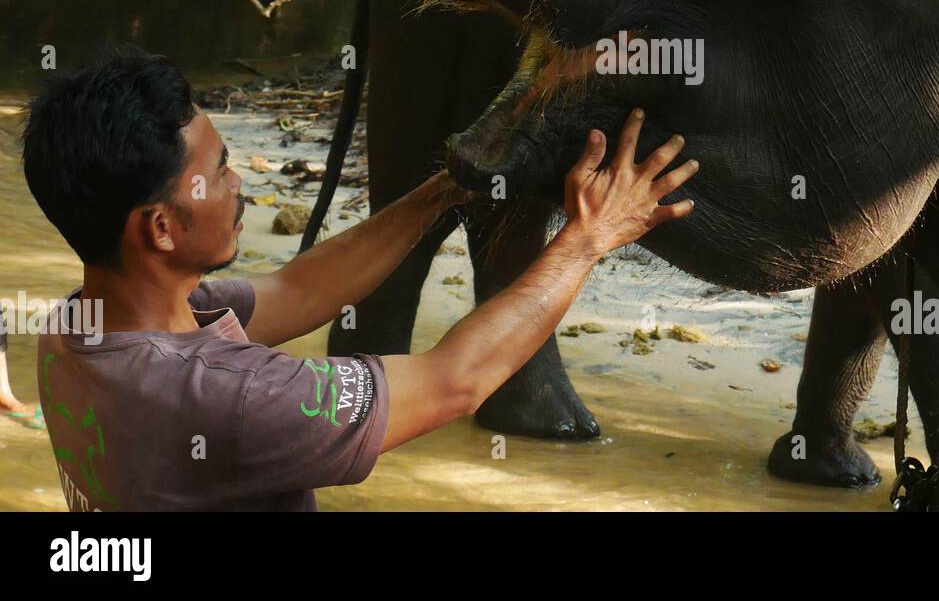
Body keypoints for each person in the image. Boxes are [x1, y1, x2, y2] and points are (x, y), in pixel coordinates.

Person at [20, 43, 697, 511]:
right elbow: (454, 381)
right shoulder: (224, 396)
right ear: (159, 229)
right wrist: (592, 237)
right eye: (219, 171)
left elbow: (301, 290)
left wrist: (449, 186)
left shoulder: (80, 325)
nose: (238, 187)